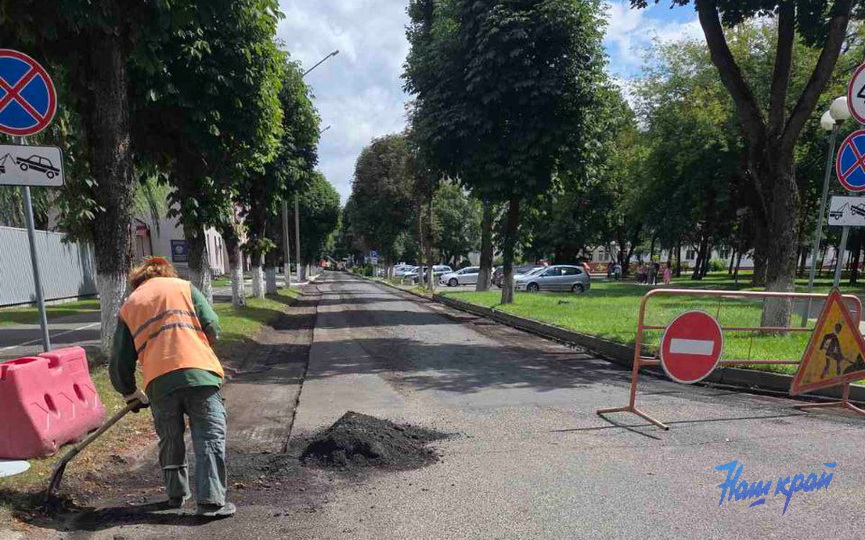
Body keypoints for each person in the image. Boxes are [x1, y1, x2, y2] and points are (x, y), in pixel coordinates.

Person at [110, 257, 235, 518]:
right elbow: (212, 326)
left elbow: (121, 360)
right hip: (199, 374)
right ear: (167, 273)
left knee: (170, 437)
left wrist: (130, 392)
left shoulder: (130, 305)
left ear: (138, 281)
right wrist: (199, 348)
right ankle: (211, 501)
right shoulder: (183, 287)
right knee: (209, 435)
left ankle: (176, 495)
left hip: (159, 382)